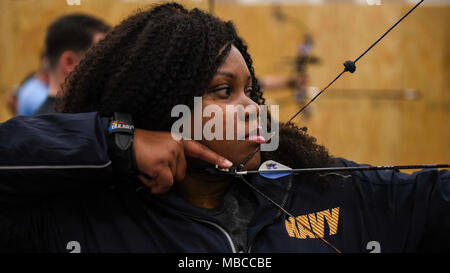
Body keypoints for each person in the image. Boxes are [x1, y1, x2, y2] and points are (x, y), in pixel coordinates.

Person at [0, 3, 449, 253]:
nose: (252, 107)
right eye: (222, 91)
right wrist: (116, 143)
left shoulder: (327, 192)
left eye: (250, 92)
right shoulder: (85, 218)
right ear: (161, 109)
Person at [34, 14, 111, 115]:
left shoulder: (41, 121)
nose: (111, 66)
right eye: (102, 57)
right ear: (69, 62)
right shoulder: (69, 126)